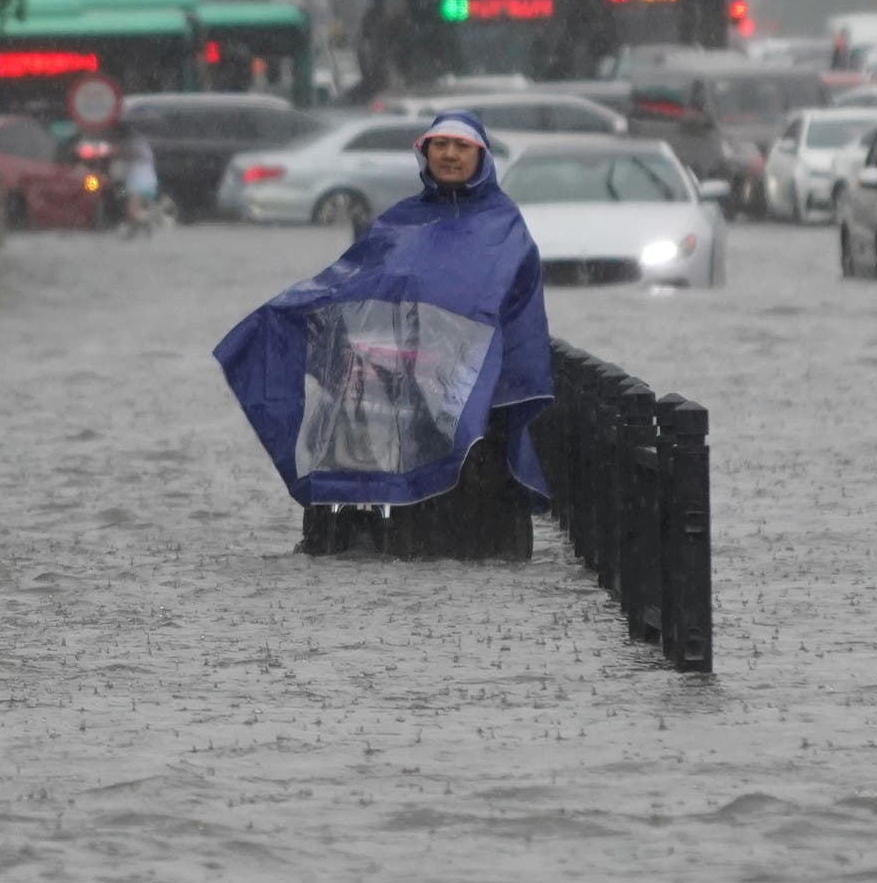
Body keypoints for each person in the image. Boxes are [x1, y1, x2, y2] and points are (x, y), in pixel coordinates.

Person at [214, 110, 552, 554]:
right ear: (425, 152)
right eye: (440, 145)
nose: (449, 154)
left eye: (461, 146)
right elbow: (350, 283)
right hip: (395, 396)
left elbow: (512, 308)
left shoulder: (503, 226)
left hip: (476, 398)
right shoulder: (400, 222)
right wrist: (289, 315)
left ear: (482, 156)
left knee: (471, 506)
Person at [117, 126, 160, 235]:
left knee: (132, 210)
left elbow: (134, 155)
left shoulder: (136, 143)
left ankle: (145, 224)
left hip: (140, 183)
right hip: (144, 182)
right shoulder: (141, 144)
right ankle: (138, 228)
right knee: (135, 210)